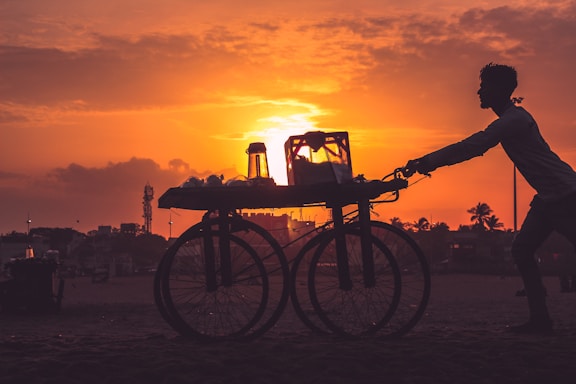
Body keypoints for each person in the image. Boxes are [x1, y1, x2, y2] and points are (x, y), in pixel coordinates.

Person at [403, 63, 576, 334]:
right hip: (548, 198)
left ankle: (541, 320)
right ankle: (540, 320)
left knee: (523, 249)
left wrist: (429, 161)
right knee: (521, 249)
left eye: (484, 86)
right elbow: (473, 146)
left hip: (567, 195)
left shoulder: (514, 120)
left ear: (500, 90)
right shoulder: (511, 119)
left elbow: (473, 146)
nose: (479, 91)